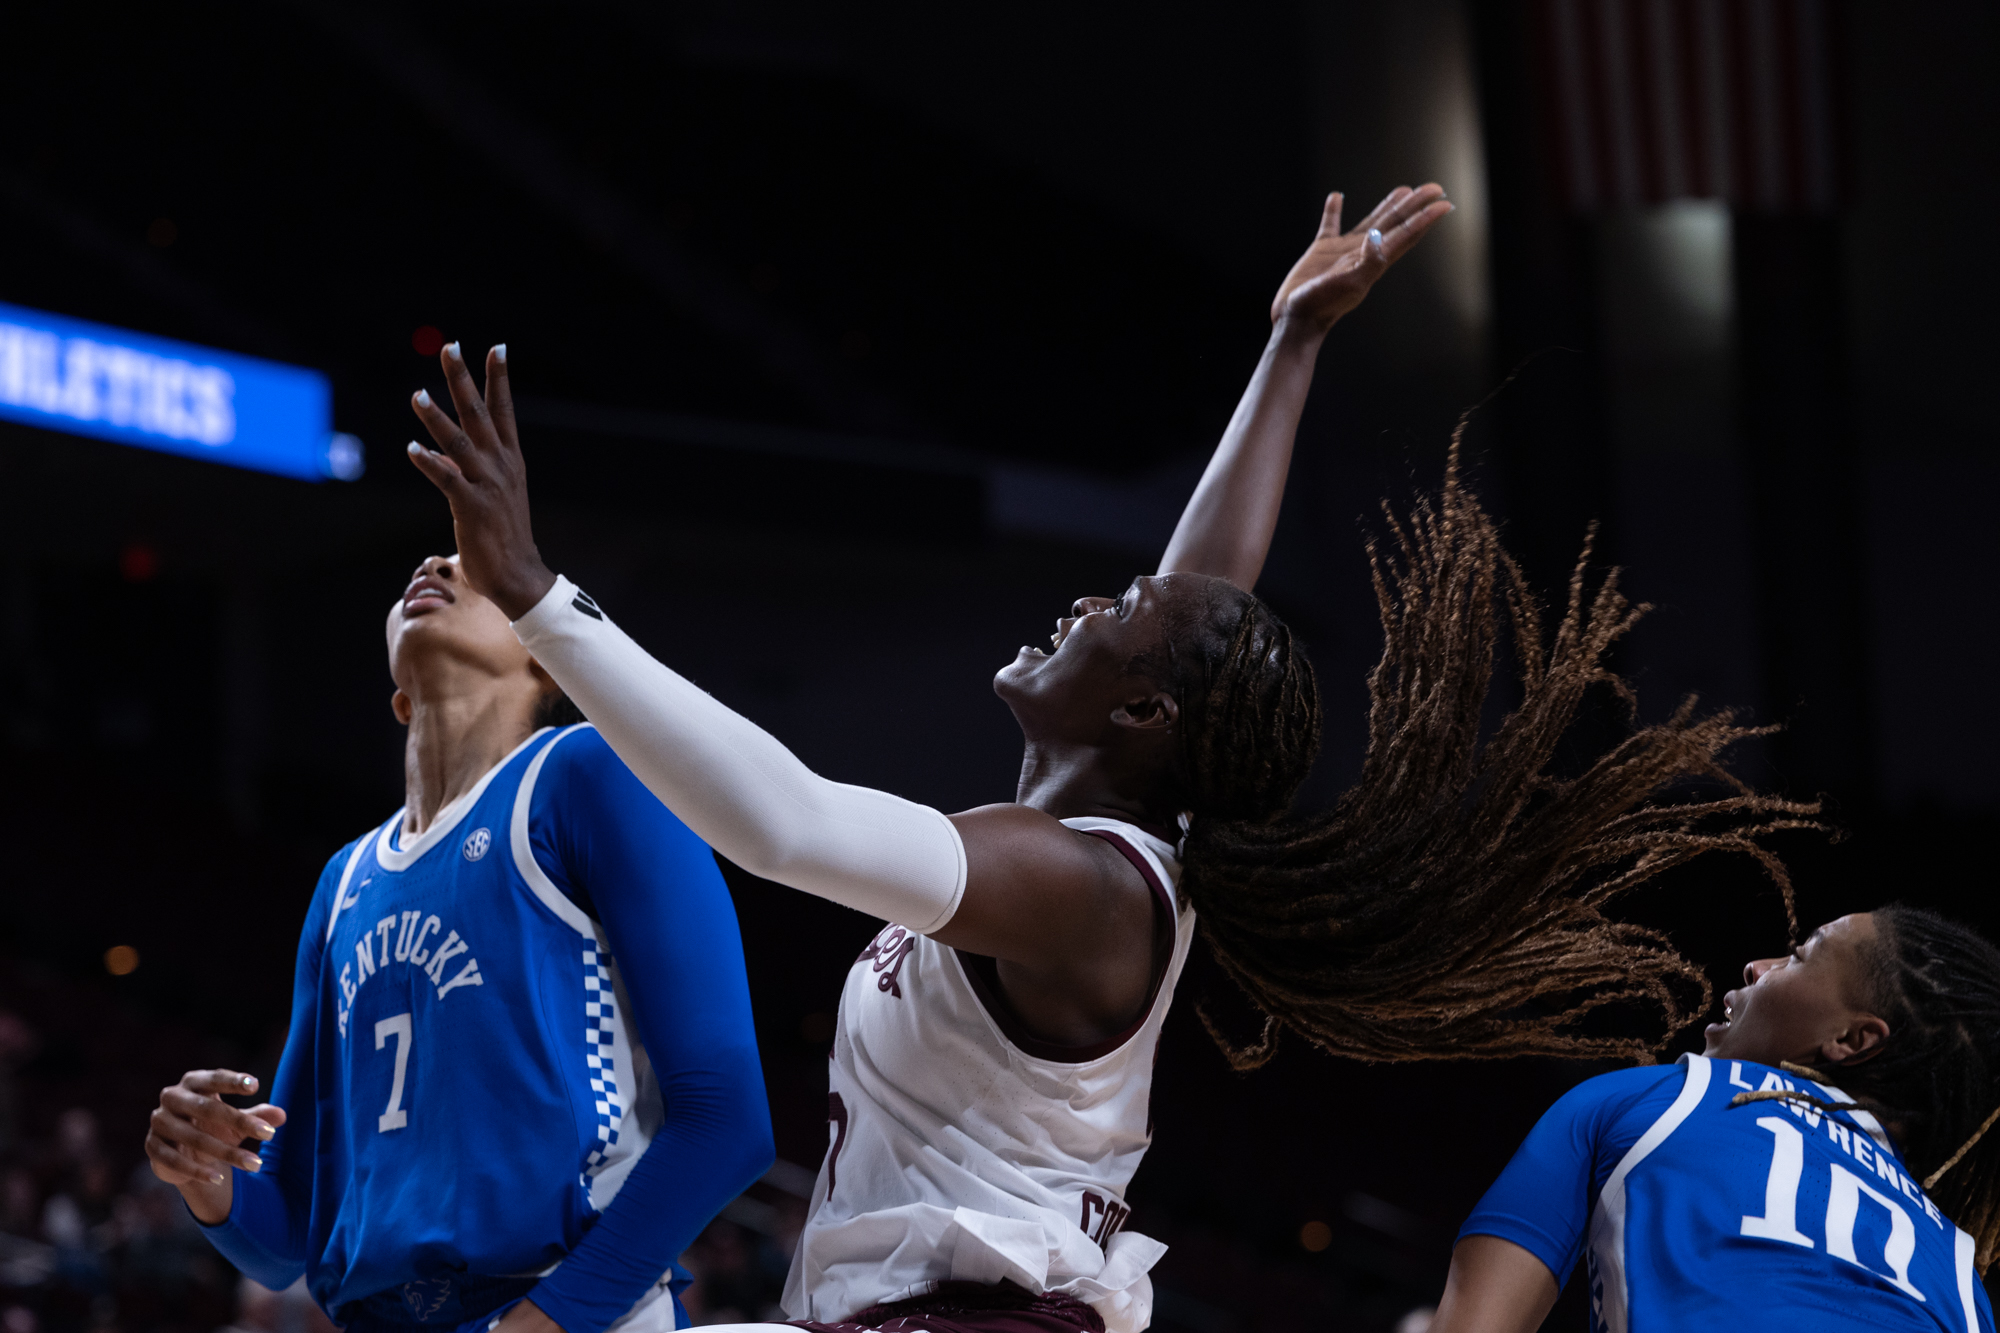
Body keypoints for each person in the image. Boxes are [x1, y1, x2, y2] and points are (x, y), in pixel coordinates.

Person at [404, 183, 1811, 1333]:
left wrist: (541, 598)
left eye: (1113, 615)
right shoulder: (1120, 835)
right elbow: (1201, 596)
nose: (1088, 598)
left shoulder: (1077, 888)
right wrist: (1293, 346)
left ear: (1141, 720)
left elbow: (783, 822)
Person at [141, 552, 775, 1333]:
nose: (437, 561)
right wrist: (207, 1177)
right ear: (398, 696)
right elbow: (289, 1235)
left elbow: (728, 1121)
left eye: (479, 568)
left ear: (549, 660)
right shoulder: (343, 880)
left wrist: (542, 1323)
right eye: (428, 559)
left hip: (564, 1310)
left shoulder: (589, 772)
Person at [1433, 907, 2000, 1332]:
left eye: (1800, 956)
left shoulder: (1652, 1099)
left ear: (1850, 1040)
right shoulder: (1960, 1274)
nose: (1758, 967)